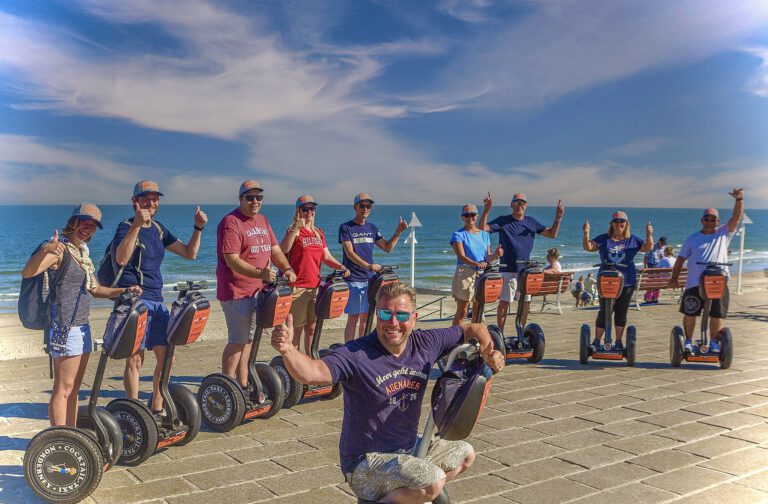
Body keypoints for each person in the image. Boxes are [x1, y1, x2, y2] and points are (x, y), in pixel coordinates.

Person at [270, 282, 505, 503]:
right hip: (365, 463)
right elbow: (311, 372)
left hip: (407, 450)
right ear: (377, 316)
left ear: (414, 318)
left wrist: (488, 350)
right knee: (433, 483)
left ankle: (400, 497)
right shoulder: (356, 353)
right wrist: (288, 350)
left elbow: (474, 328)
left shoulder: (426, 342)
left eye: (402, 315)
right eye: (385, 314)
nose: (393, 322)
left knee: (465, 454)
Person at [22, 204, 141, 426]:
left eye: (93, 225)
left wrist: (125, 290)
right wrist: (46, 249)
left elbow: (95, 289)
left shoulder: (82, 254)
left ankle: (72, 433)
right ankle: (59, 438)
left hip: (82, 328)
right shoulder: (60, 250)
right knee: (63, 388)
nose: (88, 228)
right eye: (84, 222)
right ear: (73, 221)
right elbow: (28, 272)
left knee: (75, 389)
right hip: (64, 327)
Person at [114, 180, 207, 415]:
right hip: (133, 301)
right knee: (135, 359)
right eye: (145, 198)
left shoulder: (158, 229)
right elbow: (122, 259)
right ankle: (134, 410)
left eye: (155, 198)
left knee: (167, 357)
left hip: (156, 300)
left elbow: (190, 253)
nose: (151, 202)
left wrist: (197, 228)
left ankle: (156, 407)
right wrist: (136, 225)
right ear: (134, 201)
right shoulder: (125, 227)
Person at [217, 180, 297, 388]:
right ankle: (227, 386)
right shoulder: (231, 222)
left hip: (258, 291)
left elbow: (275, 250)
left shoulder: (262, 220)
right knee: (238, 341)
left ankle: (243, 385)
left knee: (249, 342)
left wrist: (287, 269)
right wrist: (260, 273)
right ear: (241, 198)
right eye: (249, 197)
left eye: (258, 198)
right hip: (237, 292)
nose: (254, 202)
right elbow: (231, 259)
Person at [478, 192, 564, 333]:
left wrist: (558, 218)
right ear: (511, 205)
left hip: (525, 271)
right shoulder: (503, 220)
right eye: (516, 202)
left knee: (525, 303)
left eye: (522, 203)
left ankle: (521, 333)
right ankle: (500, 333)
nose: (519, 205)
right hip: (508, 269)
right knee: (505, 302)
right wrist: (487, 210)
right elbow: (482, 229)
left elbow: (552, 234)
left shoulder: (531, 222)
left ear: (526, 206)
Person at [670, 189, 744, 353]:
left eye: (713, 219)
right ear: (702, 220)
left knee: (716, 314)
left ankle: (713, 342)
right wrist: (674, 278)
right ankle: (688, 341)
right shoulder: (692, 238)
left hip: (718, 282)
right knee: (690, 312)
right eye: (707, 219)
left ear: (717, 221)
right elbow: (681, 259)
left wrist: (739, 200)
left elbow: (736, 218)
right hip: (695, 283)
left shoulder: (723, 233)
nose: (709, 222)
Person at [281, 194, 348, 354]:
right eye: (305, 209)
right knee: (296, 331)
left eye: (312, 209)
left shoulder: (318, 233)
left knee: (312, 329)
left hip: (316, 288)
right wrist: (295, 227)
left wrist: (341, 266)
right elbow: (283, 249)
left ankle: (310, 363)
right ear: (298, 211)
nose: (309, 212)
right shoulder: (294, 231)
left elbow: (326, 257)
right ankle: (294, 367)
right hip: (297, 289)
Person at [339, 193, 408, 342]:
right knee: (353, 317)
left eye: (368, 206)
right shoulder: (346, 227)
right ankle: (348, 349)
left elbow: (387, 247)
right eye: (362, 206)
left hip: (370, 280)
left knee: (366, 317)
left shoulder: (372, 228)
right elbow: (349, 253)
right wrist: (368, 266)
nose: (365, 209)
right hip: (354, 279)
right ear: (355, 207)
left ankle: (362, 347)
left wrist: (399, 231)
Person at [583, 211, 654, 350]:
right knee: (605, 311)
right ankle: (597, 341)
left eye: (622, 221)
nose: (619, 224)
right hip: (606, 280)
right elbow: (589, 247)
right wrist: (586, 233)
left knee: (621, 311)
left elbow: (648, 247)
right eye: (616, 222)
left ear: (626, 224)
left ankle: (619, 342)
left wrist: (649, 234)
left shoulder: (632, 240)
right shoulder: (604, 238)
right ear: (612, 224)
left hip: (626, 281)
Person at [449, 204, 502, 326]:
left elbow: (488, 257)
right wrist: (477, 264)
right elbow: (462, 257)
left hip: (481, 275)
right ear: (462, 217)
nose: (469, 217)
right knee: (463, 311)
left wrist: (496, 254)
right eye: (466, 215)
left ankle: (474, 336)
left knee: (478, 310)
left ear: (476, 216)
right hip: (465, 273)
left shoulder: (484, 235)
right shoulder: (458, 235)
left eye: (472, 215)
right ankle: (456, 339)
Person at [643, 236, 668, 303]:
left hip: (659, 266)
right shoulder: (652, 246)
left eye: (664, 243)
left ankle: (655, 298)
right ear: (659, 241)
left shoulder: (663, 248)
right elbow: (646, 256)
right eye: (662, 243)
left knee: (657, 282)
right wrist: (645, 266)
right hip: (651, 265)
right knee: (651, 282)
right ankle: (648, 298)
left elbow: (663, 258)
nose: (663, 245)